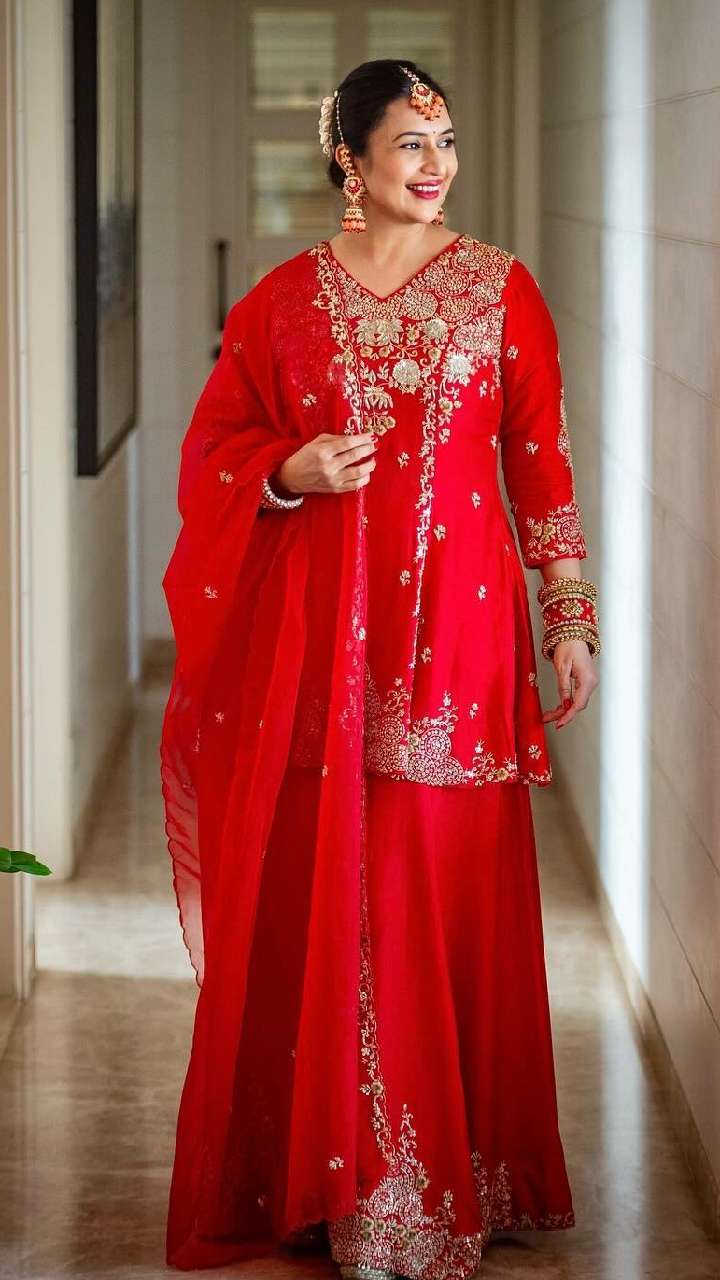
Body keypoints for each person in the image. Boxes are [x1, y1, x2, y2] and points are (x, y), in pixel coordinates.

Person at [160, 58, 600, 1280]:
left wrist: (568, 615)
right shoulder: (283, 305)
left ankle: (445, 1177)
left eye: (445, 141)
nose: (436, 165)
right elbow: (212, 450)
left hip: (460, 646)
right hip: (325, 650)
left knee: (433, 891)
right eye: (411, 143)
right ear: (350, 161)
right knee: (341, 898)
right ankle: (341, 1179)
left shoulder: (504, 290)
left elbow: (541, 463)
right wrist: (285, 470)